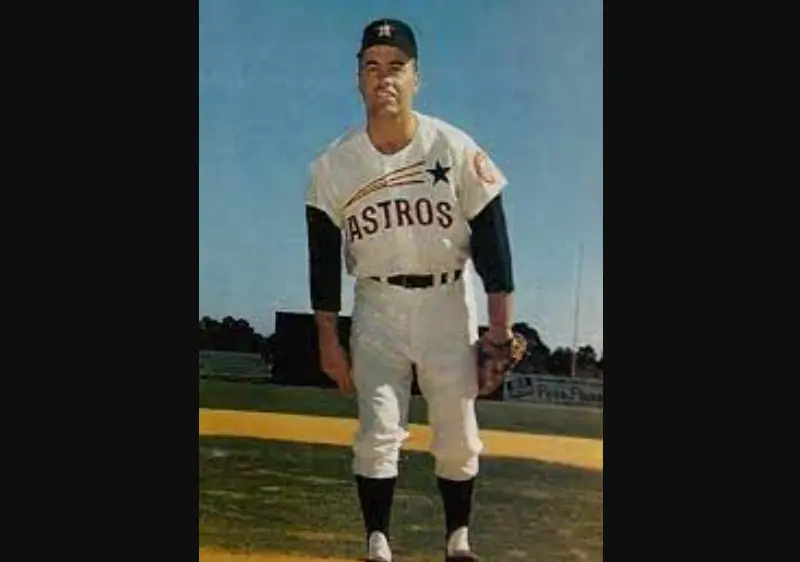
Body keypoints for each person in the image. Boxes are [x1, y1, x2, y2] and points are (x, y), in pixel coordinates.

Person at [304, 17, 516, 562]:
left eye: (396, 67)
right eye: (372, 67)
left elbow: (494, 244)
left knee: (457, 430)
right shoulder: (332, 166)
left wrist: (499, 331)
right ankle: (377, 542)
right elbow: (323, 262)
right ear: (358, 77)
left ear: (416, 77)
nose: (384, 78)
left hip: (448, 301)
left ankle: (458, 541)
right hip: (376, 304)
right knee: (378, 428)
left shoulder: (452, 146)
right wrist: (327, 338)